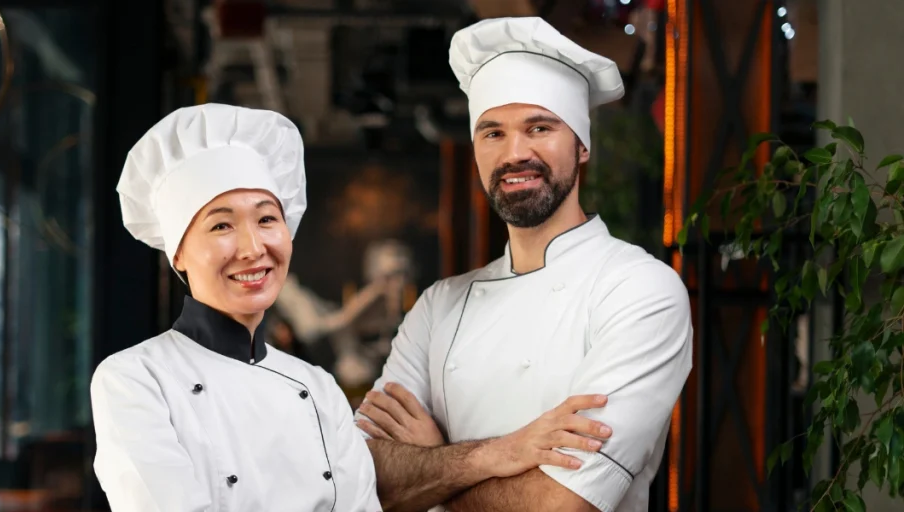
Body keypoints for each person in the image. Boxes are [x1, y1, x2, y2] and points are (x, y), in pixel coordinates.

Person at [354, 17, 693, 512]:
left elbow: (559, 505)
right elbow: (366, 476)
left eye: (539, 127)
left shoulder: (640, 290)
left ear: (582, 146)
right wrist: (499, 455)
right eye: (493, 132)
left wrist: (431, 460)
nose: (515, 154)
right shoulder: (439, 305)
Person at [91, 104, 382, 512]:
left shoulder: (318, 387)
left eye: (266, 220)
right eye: (221, 225)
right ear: (178, 254)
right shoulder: (135, 378)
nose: (253, 249)